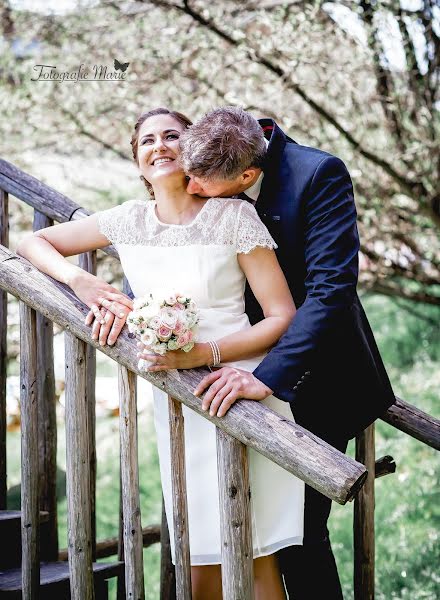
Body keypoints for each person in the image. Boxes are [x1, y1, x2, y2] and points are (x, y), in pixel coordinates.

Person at [17, 107, 306, 600]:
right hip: (175, 403)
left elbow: (282, 317)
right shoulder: (128, 221)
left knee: (256, 556)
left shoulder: (233, 215)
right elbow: (29, 240)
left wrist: (204, 353)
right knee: (197, 563)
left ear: (192, 147)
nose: (160, 145)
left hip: (236, 385)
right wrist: (79, 279)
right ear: (138, 162)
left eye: (172, 135)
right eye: (147, 140)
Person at [154, 105, 395, 599]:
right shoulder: (217, 149)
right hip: (234, 375)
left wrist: (269, 375)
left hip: (319, 378)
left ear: (247, 174)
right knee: (259, 529)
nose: (191, 189)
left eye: (201, 184)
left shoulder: (317, 174)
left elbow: (331, 289)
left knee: (301, 533)